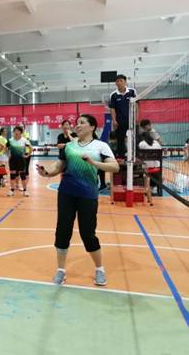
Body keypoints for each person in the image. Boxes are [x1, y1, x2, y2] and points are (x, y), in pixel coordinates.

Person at [36, 114, 119, 287]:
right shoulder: (69, 146)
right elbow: (58, 167)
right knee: (62, 231)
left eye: (82, 123)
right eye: (77, 123)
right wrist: (46, 173)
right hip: (66, 193)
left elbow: (115, 167)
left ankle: (99, 269)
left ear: (92, 127)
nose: (77, 125)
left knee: (88, 233)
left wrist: (94, 163)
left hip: (88, 195)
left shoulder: (100, 146)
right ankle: (61, 270)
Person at [109, 74, 136, 158]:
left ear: (125, 82)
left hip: (131, 120)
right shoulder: (113, 95)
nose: (119, 82)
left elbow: (137, 105)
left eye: (121, 80)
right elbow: (112, 109)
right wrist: (114, 120)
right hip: (119, 121)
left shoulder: (132, 92)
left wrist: (137, 117)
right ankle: (121, 157)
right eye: (117, 81)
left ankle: (135, 156)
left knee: (134, 138)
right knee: (120, 139)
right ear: (115, 83)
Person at [6, 126, 32, 197]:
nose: (16, 132)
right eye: (15, 131)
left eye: (18, 131)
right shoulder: (10, 140)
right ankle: (12, 190)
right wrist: (8, 154)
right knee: (12, 175)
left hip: (21, 160)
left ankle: (25, 190)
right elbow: (6, 148)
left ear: (21, 132)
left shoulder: (24, 140)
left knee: (22, 175)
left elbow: (30, 148)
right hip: (12, 160)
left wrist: (27, 155)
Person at [138, 131, 162, 205]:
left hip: (147, 169)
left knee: (140, 170)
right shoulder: (156, 143)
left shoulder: (141, 143)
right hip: (157, 167)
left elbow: (140, 156)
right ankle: (152, 189)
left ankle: (148, 195)